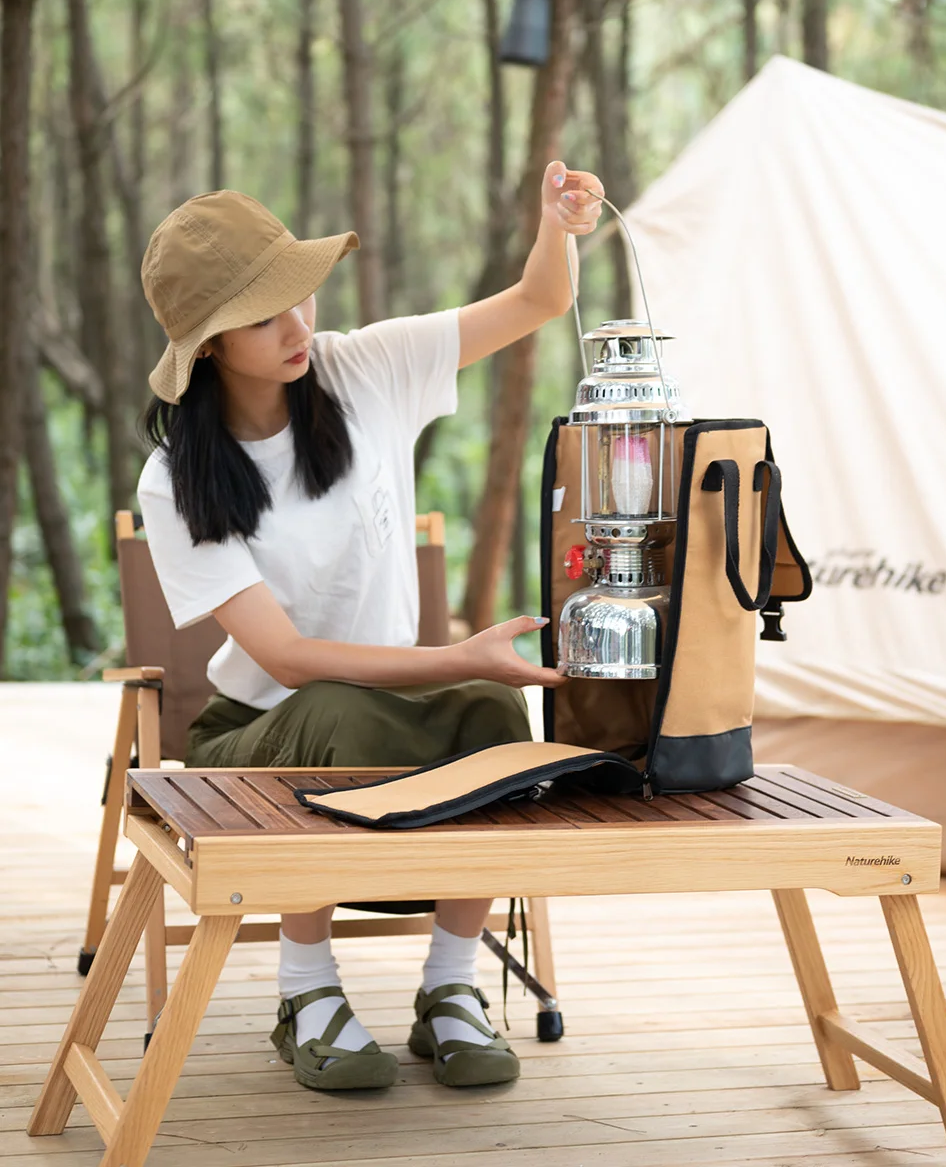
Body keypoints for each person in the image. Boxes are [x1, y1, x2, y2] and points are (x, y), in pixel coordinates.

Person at [136, 162, 603, 1092]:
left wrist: (559, 226)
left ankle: (451, 988)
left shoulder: (368, 368)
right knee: (342, 705)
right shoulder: (175, 480)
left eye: (299, 298)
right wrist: (453, 655)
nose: (298, 328)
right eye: (264, 317)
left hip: (383, 712)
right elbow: (285, 658)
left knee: (492, 714)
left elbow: (538, 301)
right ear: (209, 345)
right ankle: (306, 992)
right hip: (255, 739)